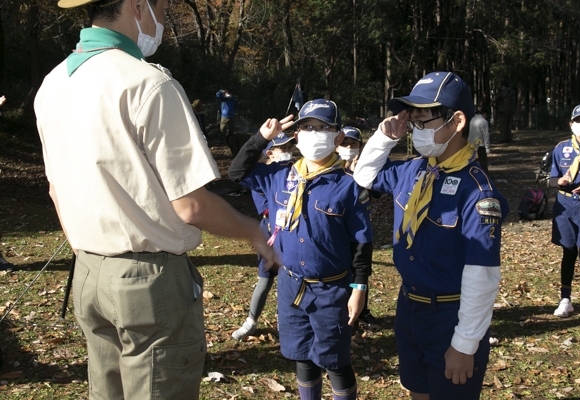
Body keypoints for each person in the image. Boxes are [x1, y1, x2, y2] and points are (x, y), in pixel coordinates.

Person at [34, 1, 275, 399]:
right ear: (135, 5)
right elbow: (191, 204)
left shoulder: (53, 83)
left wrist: (86, 250)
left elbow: (55, 189)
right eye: (161, 6)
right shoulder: (148, 83)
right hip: (149, 283)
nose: (162, 18)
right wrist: (253, 231)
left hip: (88, 271)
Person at [354, 72, 508, 400]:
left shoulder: (478, 192)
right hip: (409, 307)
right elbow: (364, 176)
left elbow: (482, 274)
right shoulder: (415, 169)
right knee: (417, 391)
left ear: (457, 120)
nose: (414, 126)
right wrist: (384, 138)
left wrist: (465, 344)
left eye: (423, 118)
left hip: (450, 317)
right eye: (413, 119)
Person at [228, 99, 373, 400]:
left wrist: (359, 287)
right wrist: (261, 138)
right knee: (302, 357)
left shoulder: (348, 185)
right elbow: (236, 172)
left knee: (335, 362)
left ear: (338, 137)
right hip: (291, 284)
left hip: (332, 289)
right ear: (296, 135)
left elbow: (361, 241)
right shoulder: (280, 176)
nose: (314, 133)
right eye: (307, 127)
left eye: (323, 128)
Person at [232, 132, 296, 340]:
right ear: (270, 152)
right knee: (265, 279)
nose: (288, 152)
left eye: (290, 148)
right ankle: (251, 320)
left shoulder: (298, 170)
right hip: (270, 233)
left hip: (293, 233)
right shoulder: (264, 175)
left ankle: (286, 321)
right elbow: (238, 171)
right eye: (282, 149)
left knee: (291, 281)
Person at [550, 102, 580, 322]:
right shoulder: (561, 148)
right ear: (571, 123)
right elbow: (552, 178)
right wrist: (558, 181)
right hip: (566, 205)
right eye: (578, 120)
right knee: (568, 252)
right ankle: (565, 299)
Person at [335, 126, 383, 329]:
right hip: (337, 230)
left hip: (360, 230)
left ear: (360, 147)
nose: (348, 147)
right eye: (344, 143)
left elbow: (378, 193)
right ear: (336, 146)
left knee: (360, 270)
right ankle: (342, 312)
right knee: (341, 271)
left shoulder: (366, 167)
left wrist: (362, 176)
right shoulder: (331, 167)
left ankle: (362, 311)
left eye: (353, 144)